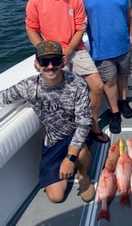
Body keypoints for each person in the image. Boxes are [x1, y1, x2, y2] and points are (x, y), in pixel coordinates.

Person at [25, 0, 108, 143]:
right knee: (57, 96)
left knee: (97, 86)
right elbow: (31, 29)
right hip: (51, 53)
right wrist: (44, 51)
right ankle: (63, 134)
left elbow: (80, 28)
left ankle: (92, 124)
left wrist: (68, 51)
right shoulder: (36, 1)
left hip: (75, 49)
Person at [0, 41, 95, 203]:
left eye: (55, 61)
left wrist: (70, 158)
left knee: (81, 151)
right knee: (56, 197)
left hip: (76, 135)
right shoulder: (29, 86)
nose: (50, 66)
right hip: (53, 140)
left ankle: (83, 174)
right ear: (37, 64)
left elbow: (84, 124)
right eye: (44, 62)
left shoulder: (77, 84)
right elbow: (3, 97)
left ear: (62, 61)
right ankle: (66, 165)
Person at [72, 0, 132, 134]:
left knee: (123, 76)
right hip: (100, 46)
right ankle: (114, 112)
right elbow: (70, 13)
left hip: (123, 43)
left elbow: (129, 13)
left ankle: (123, 102)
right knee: (109, 82)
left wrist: (131, 35)